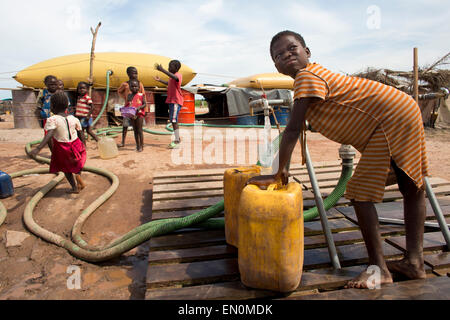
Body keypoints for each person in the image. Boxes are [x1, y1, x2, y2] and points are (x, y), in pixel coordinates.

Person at [248, 30, 429, 289]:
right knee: (411, 186)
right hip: (404, 109)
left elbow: (292, 129)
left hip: (390, 120)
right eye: (278, 55)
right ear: (276, 66)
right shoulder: (314, 77)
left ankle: (379, 271)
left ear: (307, 52)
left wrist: (278, 172)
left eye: (292, 48)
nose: (286, 55)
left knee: (360, 194)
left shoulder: (307, 76)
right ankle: (415, 262)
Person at [30, 91, 87, 194]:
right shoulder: (73, 118)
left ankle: (74, 187)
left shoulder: (52, 119)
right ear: (67, 105)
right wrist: (84, 145)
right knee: (77, 162)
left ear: (52, 106)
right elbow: (81, 133)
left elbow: (49, 135)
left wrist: (38, 148)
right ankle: (78, 174)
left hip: (63, 147)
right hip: (76, 144)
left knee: (66, 168)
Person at [154, 60, 184, 149]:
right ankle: (177, 138)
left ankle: (177, 140)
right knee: (172, 120)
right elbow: (169, 83)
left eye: (170, 66)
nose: (169, 68)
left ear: (176, 68)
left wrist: (162, 70)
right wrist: (160, 80)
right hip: (171, 101)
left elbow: (175, 78)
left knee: (174, 121)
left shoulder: (178, 75)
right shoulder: (172, 78)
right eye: (168, 66)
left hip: (176, 101)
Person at [117, 66, 147, 147]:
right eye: (133, 73)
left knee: (139, 128)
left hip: (138, 109)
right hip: (128, 108)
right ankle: (123, 142)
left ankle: (141, 144)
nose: (135, 75)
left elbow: (143, 96)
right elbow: (119, 91)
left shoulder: (139, 84)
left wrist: (145, 109)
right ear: (128, 74)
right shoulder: (125, 84)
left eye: (136, 73)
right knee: (125, 125)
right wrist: (125, 97)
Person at [36, 75, 58, 151]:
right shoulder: (43, 93)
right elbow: (38, 105)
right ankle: (53, 153)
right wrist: (40, 114)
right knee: (48, 136)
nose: (53, 86)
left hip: (58, 118)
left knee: (58, 135)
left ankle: (59, 152)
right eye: (51, 84)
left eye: (55, 84)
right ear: (45, 84)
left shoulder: (59, 93)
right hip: (47, 118)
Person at [125, 79, 146, 152]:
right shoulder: (129, 96)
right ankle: (137, 145)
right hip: (132, 115)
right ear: (130, 87)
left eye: (136, 86)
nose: (134, 88)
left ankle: (141, 145)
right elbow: (128, 104)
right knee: (135, 131)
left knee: (139, 130)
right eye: (132, 86)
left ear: (138, 87)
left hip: (139, 114)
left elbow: (144, 104)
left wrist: (139, 107)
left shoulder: (141, 95)